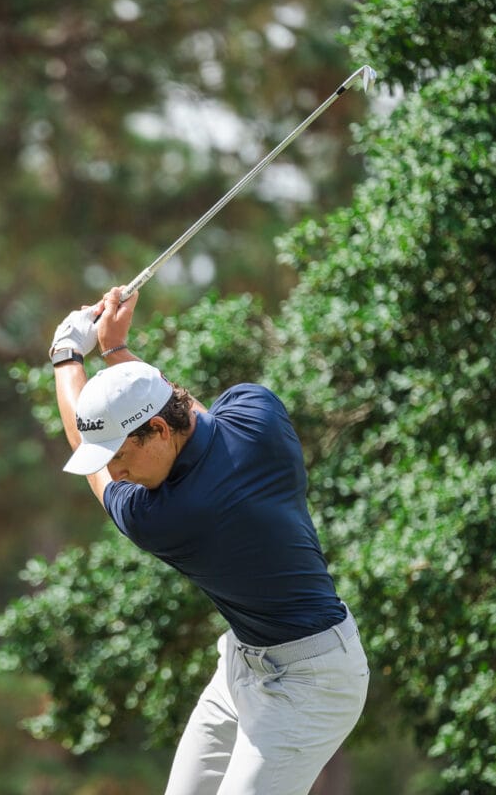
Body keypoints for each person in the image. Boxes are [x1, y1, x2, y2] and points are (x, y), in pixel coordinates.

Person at [47, 286, 369, 795]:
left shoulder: (172, 516)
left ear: (156, 430)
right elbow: (192, 415)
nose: (116, 471)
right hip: (242, 662)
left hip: (312, 684)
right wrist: (115, 351)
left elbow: (83, 440)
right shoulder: (259, 414)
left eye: (119, 455)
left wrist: (67, 355)